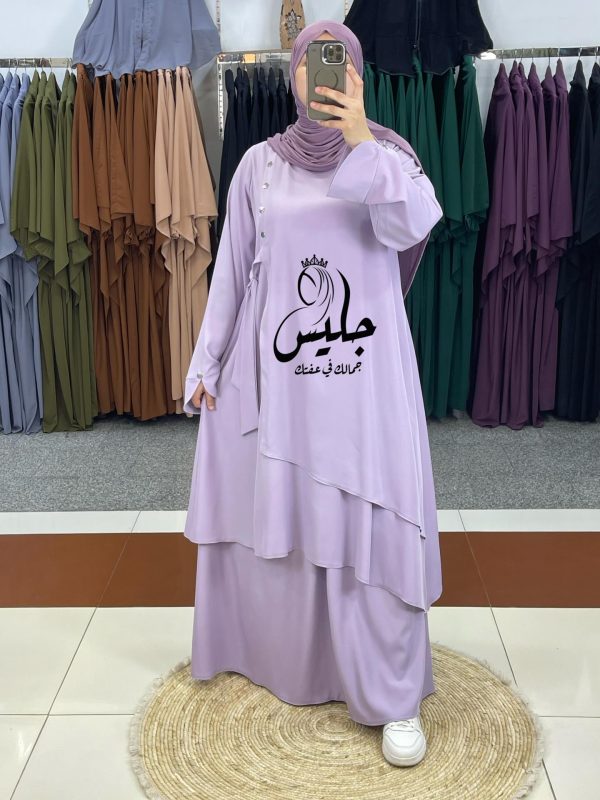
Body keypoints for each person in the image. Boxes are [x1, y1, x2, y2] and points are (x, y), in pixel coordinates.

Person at [183, 19, 444, 768]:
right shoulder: (259, 165)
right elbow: (234, 270)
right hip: (282, 381)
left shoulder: (390, 157)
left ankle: (391, 690)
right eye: (310, 63)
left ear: (356, 73)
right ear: (294, 73)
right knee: (287, 512)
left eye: (338, 62)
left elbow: (413, 224)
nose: (321, 75)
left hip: (363, 382)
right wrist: (207, 362)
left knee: (373, 513)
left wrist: (360, 136)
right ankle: (288, 660)